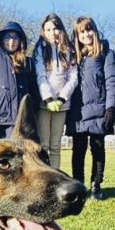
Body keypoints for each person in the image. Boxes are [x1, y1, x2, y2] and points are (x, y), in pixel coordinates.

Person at [67, 17, 115, 200]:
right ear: (77, 35)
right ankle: (78, 185)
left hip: (99, 109)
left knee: (97, 148)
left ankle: (96, 185)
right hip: (78, 112)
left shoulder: (106, 53)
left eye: (89, 30)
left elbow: (111, 81)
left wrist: (110, 107)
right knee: (78, 150)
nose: (86, 34)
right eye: (82, 31)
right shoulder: (74, 56)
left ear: (94, 31)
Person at [32, 14, 77, 170]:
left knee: (56, 145)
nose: (52, 32)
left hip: (62, 105)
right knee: (43, 144)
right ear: (43, 31)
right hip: (45, 105)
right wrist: (49, 99)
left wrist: (62, 99)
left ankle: (56, 177)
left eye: (55, 28)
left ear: (60, 29)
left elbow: (73, 77)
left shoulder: (69, 50)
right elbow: (40, 76)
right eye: (48, 29)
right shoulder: (39, 50)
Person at [0, 21, 37, 139]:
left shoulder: (28, 62)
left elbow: (35, 89)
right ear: (2, 39)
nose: (11, 41)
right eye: (7, 37)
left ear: (20, 40)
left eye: (15, 37)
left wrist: (30, 109)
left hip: (23, 122)